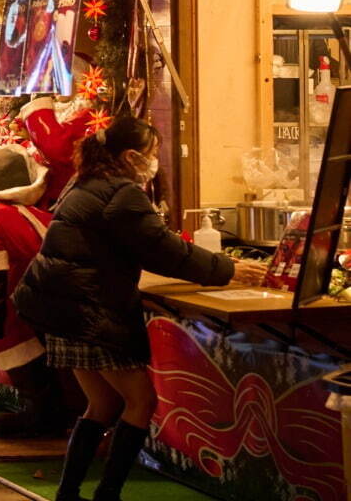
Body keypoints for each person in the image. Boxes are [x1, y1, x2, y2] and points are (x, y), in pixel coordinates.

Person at [15, 118, 269, 501]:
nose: (155, 161)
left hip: (62, 307)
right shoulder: (122, 194)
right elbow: (165, 250)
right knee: (140, 401)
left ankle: (69, 493)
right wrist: (229, 269)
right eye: (151, 154)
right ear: (131, 156)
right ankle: (108, 494)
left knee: (101, 403)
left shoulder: (84, 182)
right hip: (88, 310)